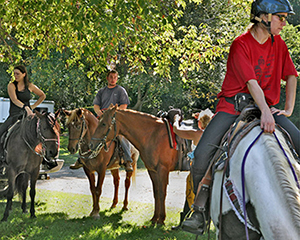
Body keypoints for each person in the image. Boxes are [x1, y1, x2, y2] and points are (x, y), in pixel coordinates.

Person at [181, 0, 299, 235]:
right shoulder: (240, 44)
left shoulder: (280, 45)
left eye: (285, 18)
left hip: (267, 108)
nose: (284, 23)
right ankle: (200, 211)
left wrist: (287, 109)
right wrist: (265, 111)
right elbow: (251, 83)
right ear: (263, 17)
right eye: (281, 17)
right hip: (233, 108)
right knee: (203, 154)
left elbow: (292, 75)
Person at [70, 69, 134, 172]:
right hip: (102, 117)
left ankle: (127, 160)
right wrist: (99, 112)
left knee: (121, 137)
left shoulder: (121, 90)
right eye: (111, 77)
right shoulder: (101, 91)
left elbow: (124, 105)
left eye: (115, 77)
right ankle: (80, 159)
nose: (113, 79)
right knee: (87, 133)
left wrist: (113, 113)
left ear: (117, 78)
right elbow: (96, 105)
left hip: (115, 118)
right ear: (107, 78)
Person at [171, 109, 214, 230]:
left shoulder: (196, 134)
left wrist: (176, 120)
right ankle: (194, 221)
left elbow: (176, 130)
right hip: (210, 170)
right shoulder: (214, 135)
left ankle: (187, 221)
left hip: (197, 170)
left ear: (200, 123)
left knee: (191, 193)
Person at [0, 65, 46, 164]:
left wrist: (33, 107)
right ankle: (2, 158)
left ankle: (45, 159)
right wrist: (26, 108)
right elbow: (14, 100)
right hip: (14, 115)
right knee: (1, 132)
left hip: (28, 116)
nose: (15, 76)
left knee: (42, 132)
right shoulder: (11, 85)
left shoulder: (30, 86)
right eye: (14, 74)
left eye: (18, 74)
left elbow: (42, 95)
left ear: (24, 74)